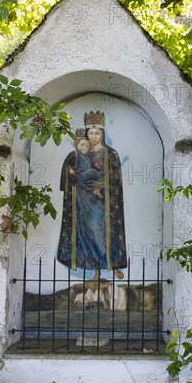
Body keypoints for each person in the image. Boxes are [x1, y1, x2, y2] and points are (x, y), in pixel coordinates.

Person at [57, 111, 127, 279]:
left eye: (97, 133)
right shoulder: (80, 153)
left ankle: (112, 264)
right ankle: (95, 268)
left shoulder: (111, 155)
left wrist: (101, 184)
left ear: (102, 134)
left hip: (104, 202)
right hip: (83, 201)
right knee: (88, 234)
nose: (94, 136)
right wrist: (72, 174)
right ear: (86, 134)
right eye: (91, 133)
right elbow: (68, 174)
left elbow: (115, 180)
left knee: (103, 232)